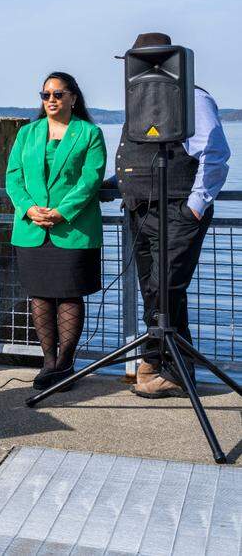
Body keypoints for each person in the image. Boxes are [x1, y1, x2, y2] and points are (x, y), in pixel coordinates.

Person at [116, 33, 231, 398]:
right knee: (157, 290)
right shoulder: (140, 99)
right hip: (141, 209)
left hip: (178, 209)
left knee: (164, 288)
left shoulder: (193, 97)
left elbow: (214, 154)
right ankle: (165, 364)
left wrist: (195, 205)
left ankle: (167, 364)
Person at [6, 72, 106, 391]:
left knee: (69, 295)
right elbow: (13, 177)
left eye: (58, 94)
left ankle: (66, 364)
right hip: (32, 229)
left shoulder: (89, 133)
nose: (51, 99)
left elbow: (91, 179)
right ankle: (48, 363)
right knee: (40, 295)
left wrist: (62, 212)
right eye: (46, 94)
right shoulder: (27, 133)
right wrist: (28, 208)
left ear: (73, 98)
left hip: (73, 229)